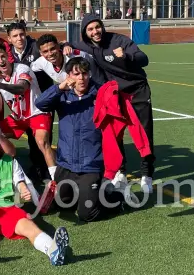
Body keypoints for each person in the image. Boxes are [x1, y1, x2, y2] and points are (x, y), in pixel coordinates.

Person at [0, 121, 69, 268]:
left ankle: (52, 250)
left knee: (30, 226)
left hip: (8, 208)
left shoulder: (10, 162)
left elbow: (20, 182)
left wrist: (24, 191)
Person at [68, 15, 154, 194]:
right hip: (117, 95)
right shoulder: (88, 44)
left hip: (137, 90)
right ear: (86, 33)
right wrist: (65, 46)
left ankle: (147, 174)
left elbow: (143, 59)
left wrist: (127, 56)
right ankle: (121, 171)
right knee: (116, 134)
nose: (95, 32)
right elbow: (71, 44)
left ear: (102, 27)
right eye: (90, 29)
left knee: (144, 132)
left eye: (97, 27)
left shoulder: (119, 41)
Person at [36, 57, 128, 221]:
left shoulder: (100, 94)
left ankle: (114, 198)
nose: (81, 78)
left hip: (90, 164)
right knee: (63, 204)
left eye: (84, 73)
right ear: (68, 75)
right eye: (76, 74)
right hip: (66, 164)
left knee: (87, 214)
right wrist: (59, 88)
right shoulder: (62, 95)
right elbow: (40, 103)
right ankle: (89, 193)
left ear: (89, 74)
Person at [0, 42, 56, 185]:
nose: (0, 60)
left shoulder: (22, 68)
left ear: (8, 56)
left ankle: (56, 179)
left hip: (37, 112)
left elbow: (22, 88)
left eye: (2, 56)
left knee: (42, 142)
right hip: (17, 118)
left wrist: (0, 85)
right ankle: (4, 175)